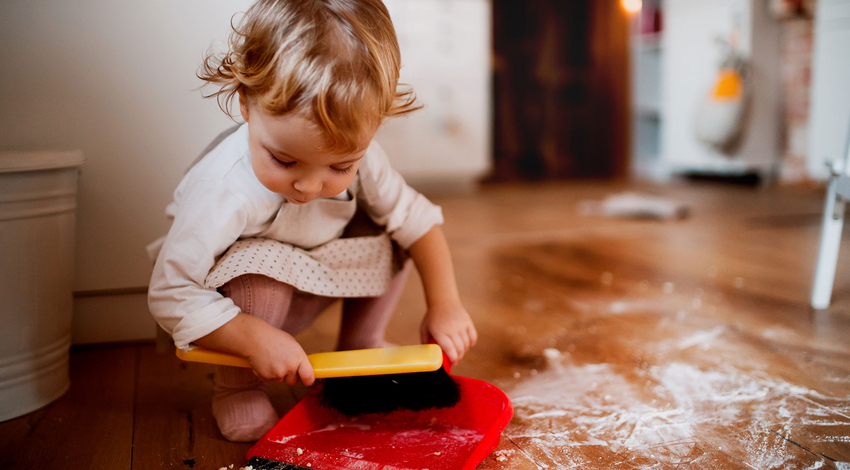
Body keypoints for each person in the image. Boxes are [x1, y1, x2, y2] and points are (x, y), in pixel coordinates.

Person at [147, 0, 477, 442]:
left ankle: (360, 347)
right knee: (255, 282)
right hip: (242, 302)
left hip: (317, 271)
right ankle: (238, 385)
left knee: (394, 235)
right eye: (284, 160)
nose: (308, 186)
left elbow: (418, 222)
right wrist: (249, 337)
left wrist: (446, 303)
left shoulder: (367, 159)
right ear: (246, 103)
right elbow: (170, 292)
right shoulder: (222, 189)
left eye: (339, 168)